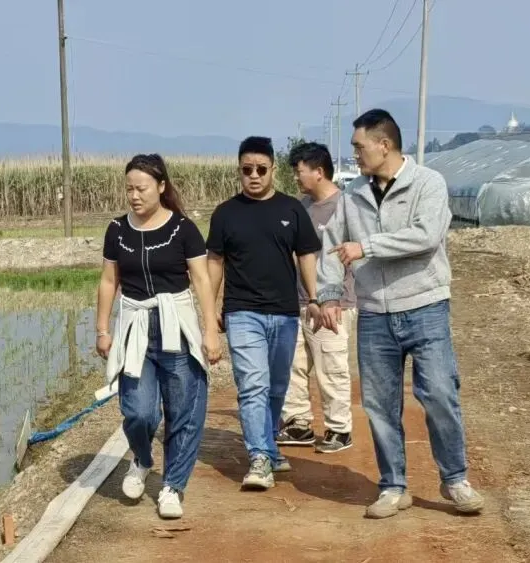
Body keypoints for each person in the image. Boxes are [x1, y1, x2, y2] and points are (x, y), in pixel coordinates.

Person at [313, 108, 485, 519]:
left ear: (384, 144)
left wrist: (367, 247)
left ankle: (455, 479)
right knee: (379, 404)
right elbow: (333, 247)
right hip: (374, 314)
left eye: (359, 146)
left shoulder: (428, 183)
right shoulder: (353, 194)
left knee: (439, 393)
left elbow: (426, 236)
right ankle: (393, 486)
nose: (355, 154)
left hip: (425, 306)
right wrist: (330, 295)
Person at [96, 153, 223, 519]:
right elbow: (109, 281)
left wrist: (210, 331)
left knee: (184, 410)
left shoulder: (183, 229)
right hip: (136, 325)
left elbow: (201, 280)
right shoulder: (117, 231)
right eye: (129, 189)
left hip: (176, 326)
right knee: (138, 411)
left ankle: (173, 486)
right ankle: (142, 458)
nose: (134, 196)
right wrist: (102, 329)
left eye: (142, 188)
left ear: (162, 187)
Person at [205, 136, 323, 490]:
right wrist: (209, 312)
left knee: (276, 386)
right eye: (247, 170)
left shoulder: (292, 210)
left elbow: (306, 255)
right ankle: (258, 457)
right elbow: (215, 263)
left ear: (273, 170)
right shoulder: (226, 213)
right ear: (239, 171)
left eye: (260, 169)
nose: (253, 176)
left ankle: (269, 446)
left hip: (284, 313)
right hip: (242, 313)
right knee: (253, 384)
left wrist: (314, 298)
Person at [276, 142, 358, 454]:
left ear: (319, 172)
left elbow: (350, 257)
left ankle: (339, 429)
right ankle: (298, 423)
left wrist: (330, 299)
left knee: (331, 367)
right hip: (298, 301)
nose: (296, 178)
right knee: (293, 365)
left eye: (300, 172)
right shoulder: (301, 207)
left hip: (332, 304)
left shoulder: (346, 207)